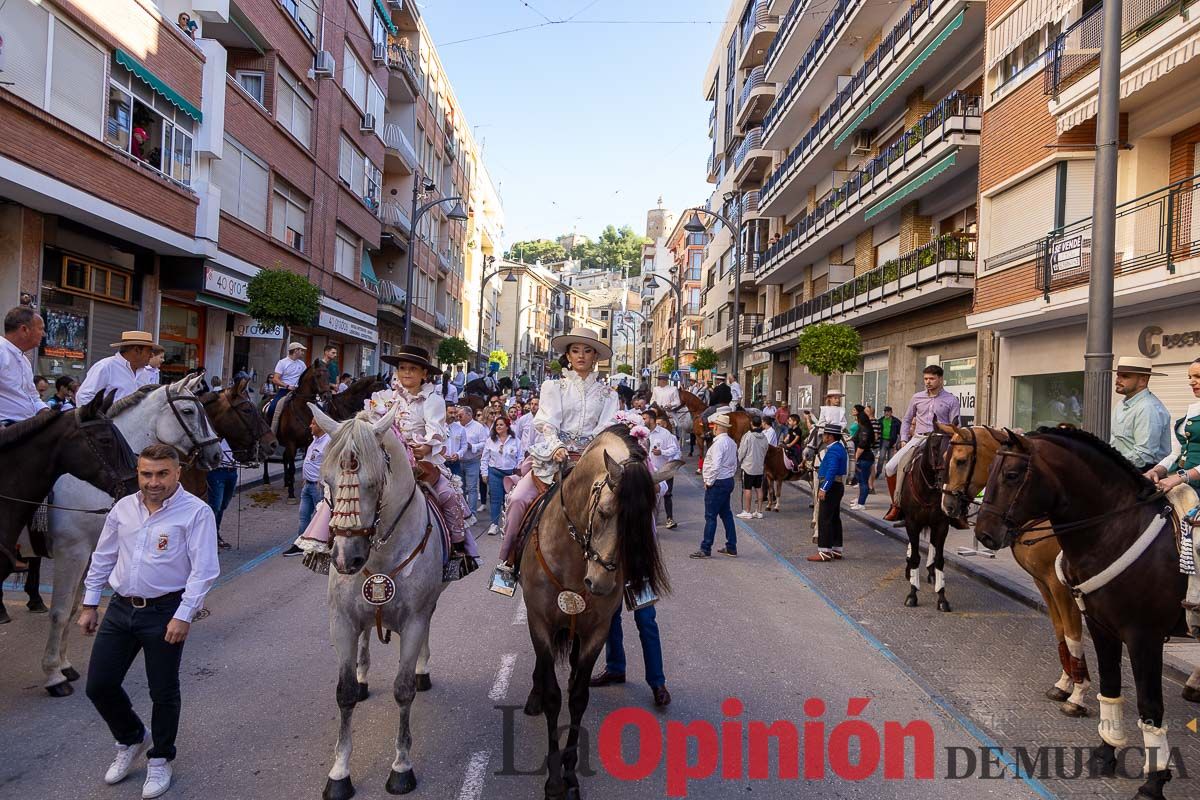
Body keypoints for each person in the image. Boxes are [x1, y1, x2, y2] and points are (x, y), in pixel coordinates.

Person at [78, 443, 220, 800]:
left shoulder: (196, 513)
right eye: (146, 474)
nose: (153, 482)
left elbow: (204, 572)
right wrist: (90, 603)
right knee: (99, 685)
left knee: (163, 690)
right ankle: (131, 738)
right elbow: (104, 555)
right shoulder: (123, 508)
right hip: (121, 609)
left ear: (177, 473)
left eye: (161, 474)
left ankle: (161, 758)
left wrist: (183, 616)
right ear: (138, 473)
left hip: (165, 612)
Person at [493, 328, 619, 584]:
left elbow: (607, 426)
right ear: (568, 355)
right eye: (575, 350)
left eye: (587, 351)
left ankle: (637, 579)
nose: (581, 356)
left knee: (629, 505)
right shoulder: (554, 386)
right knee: (518, 499)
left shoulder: (609, 394)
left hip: (594, 459)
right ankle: (508, 563)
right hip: (553, 458)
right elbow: (547, 421)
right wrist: (556, 446)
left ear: (595, 356)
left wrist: (591, 451)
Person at [364, 345, 479, 570]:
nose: (406, 372)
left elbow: (436, 428)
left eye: (413, 369)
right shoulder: (382, 397)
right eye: (402, 368)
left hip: (420, 461)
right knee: (346, 486)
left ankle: (457, 550)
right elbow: (371, 425)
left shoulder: (432, 400)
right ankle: (326, 541)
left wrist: (425, 448)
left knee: (449, 494)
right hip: (382, 459)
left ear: (424, 374)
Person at [883, 365, 962, 522]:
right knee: (890, 467)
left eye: (931, 379)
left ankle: (959, 512)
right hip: (918, 439)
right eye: (925, 378)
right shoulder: (916, 397)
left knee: (956, 470)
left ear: (940, 379)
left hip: (941, 440)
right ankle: (897, 505)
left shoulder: (951, 400)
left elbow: (956, 427)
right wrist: (904, 439)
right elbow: (906, 420)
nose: (928, 382)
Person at [1145, 356, 1200, 493]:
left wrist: (1180, 478)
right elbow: (1176, 453)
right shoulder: (1193, 410)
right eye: (1190, 377)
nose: (1191, 382)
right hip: (1184, 484)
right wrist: (1157, 470)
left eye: (1198, 376)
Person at [1110, 355, 1172, 473]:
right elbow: (1115, 442)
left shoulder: (1148, 408)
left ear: (1142, 381)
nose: (1117, 380)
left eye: (1125, 376)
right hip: (1123, 469)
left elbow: (1144, 456)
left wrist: (1111, 463)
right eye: (1118, 375)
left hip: (1145, 474)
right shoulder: (1121, 404)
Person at [691, 412, 738, 559]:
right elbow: (734, 463)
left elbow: (716, 465)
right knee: (726, 514)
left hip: (718, 482)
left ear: (717, 427)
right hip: (727, 480)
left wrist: (709, 481)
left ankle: (706, 548)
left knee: (710, 516)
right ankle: (731, 546)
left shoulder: (718, 444)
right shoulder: (731, 442)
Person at [281, 416, 329, 558]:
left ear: (321, 426)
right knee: (303, 515)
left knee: (319, 516)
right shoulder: (315, 440)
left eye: (313, 423)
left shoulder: (328, 442)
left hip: (317, 486)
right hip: (307, 484)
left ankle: (321, 543)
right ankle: (301, 544)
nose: (310, 426)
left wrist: (323, 481)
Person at [76, 330, 159, 405]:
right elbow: (83, 396)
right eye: (149, 351)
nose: (151, 355)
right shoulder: (105, 367)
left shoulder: (144, 373)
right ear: (136, 350)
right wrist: (99, 419)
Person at [0, 306, 50, 423]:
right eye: (41, 329)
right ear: (24, 330)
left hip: (26, 427)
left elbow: (33, 396)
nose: (43, 334)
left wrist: (48, 413)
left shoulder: (24, 361)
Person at [808, 423, 848, 562]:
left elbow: (831, 470)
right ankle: (837, 548)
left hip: (830, 486)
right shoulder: (838, 448)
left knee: (824, 518)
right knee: (834, 518)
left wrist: (824, 488)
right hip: (836, 486)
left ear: (830, 437)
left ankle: (824, 551)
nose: (823, 437)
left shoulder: (833, 450)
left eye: (824, 435)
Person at [482, 416, 521, 536]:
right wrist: (484, 473)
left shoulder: (515, 440)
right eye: (497, 425)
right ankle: (494, 524)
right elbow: (484, 458)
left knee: (509, 500)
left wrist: (518, 468)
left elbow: (521, 457)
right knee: (495, 499)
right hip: (495, 472)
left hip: (510, 474)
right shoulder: (490, 440)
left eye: (501, 425)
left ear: (507, 426)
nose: (498, 427)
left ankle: (508, 525)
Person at [644, 409, 681, 528]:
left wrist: (662, 452)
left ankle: (669, 519)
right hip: (648, 470)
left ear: (651, 419)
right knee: (649, 495)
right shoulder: (642, 432)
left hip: (663, 470)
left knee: (667, 494)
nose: (643, 420)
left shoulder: (665, 434)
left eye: (645, 418)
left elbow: (674, 449)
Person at [456, 404, 489, 518]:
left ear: (469, 415)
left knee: (472, 488)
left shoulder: (478, 427)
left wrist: (472, 446)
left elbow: (485, 443)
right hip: (458, 461)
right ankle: (463, 513)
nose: (458, 417)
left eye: (460, 415)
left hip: (472, 461)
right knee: (460, 488)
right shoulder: (456, 426)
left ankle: (472, 514)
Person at [205, 438, 238, 550]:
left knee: (223, 505)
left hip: (232, 471)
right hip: (217, 472)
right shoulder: (214, 438)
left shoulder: (232, 435)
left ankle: (216, 534)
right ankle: (210, 539)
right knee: (215, 506)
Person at [737, 415, 769, 519]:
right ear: (760, 424)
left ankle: (747, 510)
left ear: (751, 424)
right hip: (759, 466)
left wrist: (739, 458)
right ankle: (759, 511)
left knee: (747, 488)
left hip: (748, 466)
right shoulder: (764, 436)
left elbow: (742, 451)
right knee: (759, 488)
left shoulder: (748, 435)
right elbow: (765, 449)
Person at [267, 342, 308, 420]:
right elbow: (275, 379)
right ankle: (270, 428)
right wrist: (288, 386)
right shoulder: (282, 363)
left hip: (299, 392)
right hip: (284, 391)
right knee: (272, 408)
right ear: (296, 350)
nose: (303, 353)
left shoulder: (302, 364)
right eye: (301, 350)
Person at [848, 405, 876, 510]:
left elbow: (862, 445)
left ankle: (861, 504)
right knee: (860, 481)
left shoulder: (865, 429)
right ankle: (860, 499)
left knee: (864, 481)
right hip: (863, 458)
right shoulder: (862, 428)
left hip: (864, 458)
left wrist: (856, 458)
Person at [876, 406, 900, 478]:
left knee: (890, 458)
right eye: (885, 412)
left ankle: (888, 474)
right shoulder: (880, 420)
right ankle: (878, 472)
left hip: (892, 441)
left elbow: (900, 433)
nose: (886, 413)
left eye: (888, 412)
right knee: (881, 457)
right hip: (883, 440)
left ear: (891, 412)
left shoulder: (896, 421)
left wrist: (897, 442)